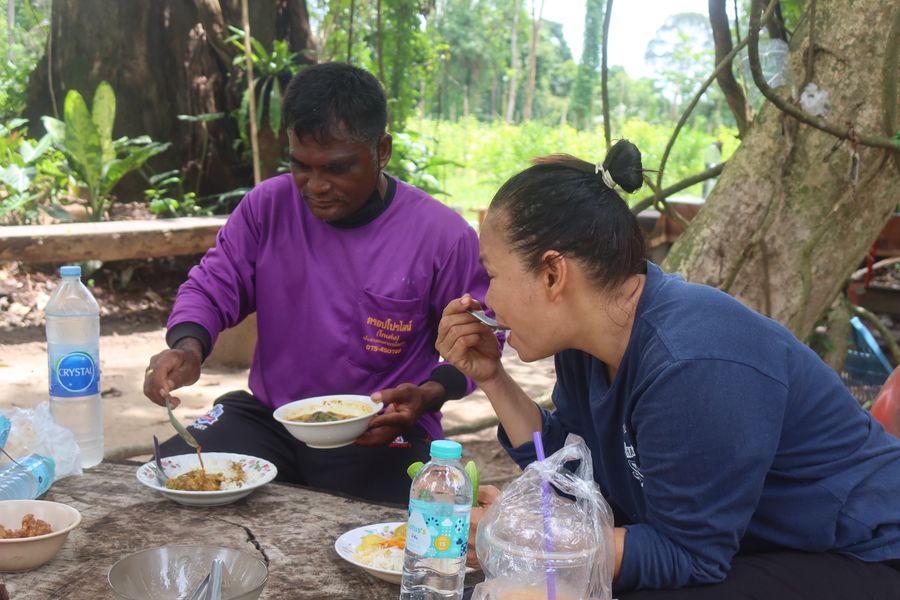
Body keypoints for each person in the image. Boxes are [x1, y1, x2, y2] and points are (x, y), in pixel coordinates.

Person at [436, 140, 900, 598]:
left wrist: (519, 538)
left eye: (492, 275)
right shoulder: (586, 346)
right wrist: (492, 378)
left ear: (553, 274)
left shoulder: (690, 361)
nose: (486, 300)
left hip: (864, 554)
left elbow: (686, 556)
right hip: (753, 548)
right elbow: (569, 477)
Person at [143, 63, 492, 504]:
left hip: (380, 429)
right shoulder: (267, 208)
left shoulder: (441, 236)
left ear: (381, 150)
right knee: (169, 480)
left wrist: (426, 396)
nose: (316, 185)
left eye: (337, 168)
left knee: (402, 526)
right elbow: (213, 284)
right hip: (272, 419)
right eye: (301, 166)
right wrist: (188, 348)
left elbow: (479, 341)